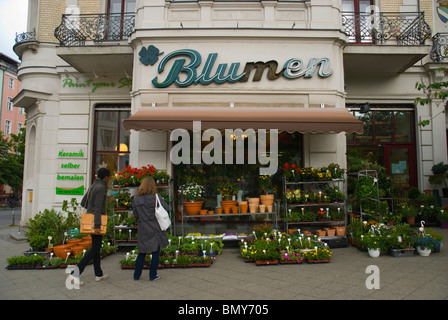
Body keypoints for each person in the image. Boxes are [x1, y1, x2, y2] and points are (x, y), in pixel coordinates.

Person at [73, 167, 110, 285]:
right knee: (95, 249)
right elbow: (98, 207)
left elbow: (83, 202)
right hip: (96, 221)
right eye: (108, 177)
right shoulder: (101, 188)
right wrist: (98, 225)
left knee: (96, 247)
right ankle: (75, 273)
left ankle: (98, 274)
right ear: (105, 177)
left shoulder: (93, 186)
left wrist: (90, 207)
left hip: (91, 219)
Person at [132, 176, 169, 281]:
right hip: (155, 226)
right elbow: (167, 208)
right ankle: (152, 275)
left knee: (142, 252)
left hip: (143, 227)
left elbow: (135, 215)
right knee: (155, 251)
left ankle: (136, 275)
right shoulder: (155, 197)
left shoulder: (136, 199)